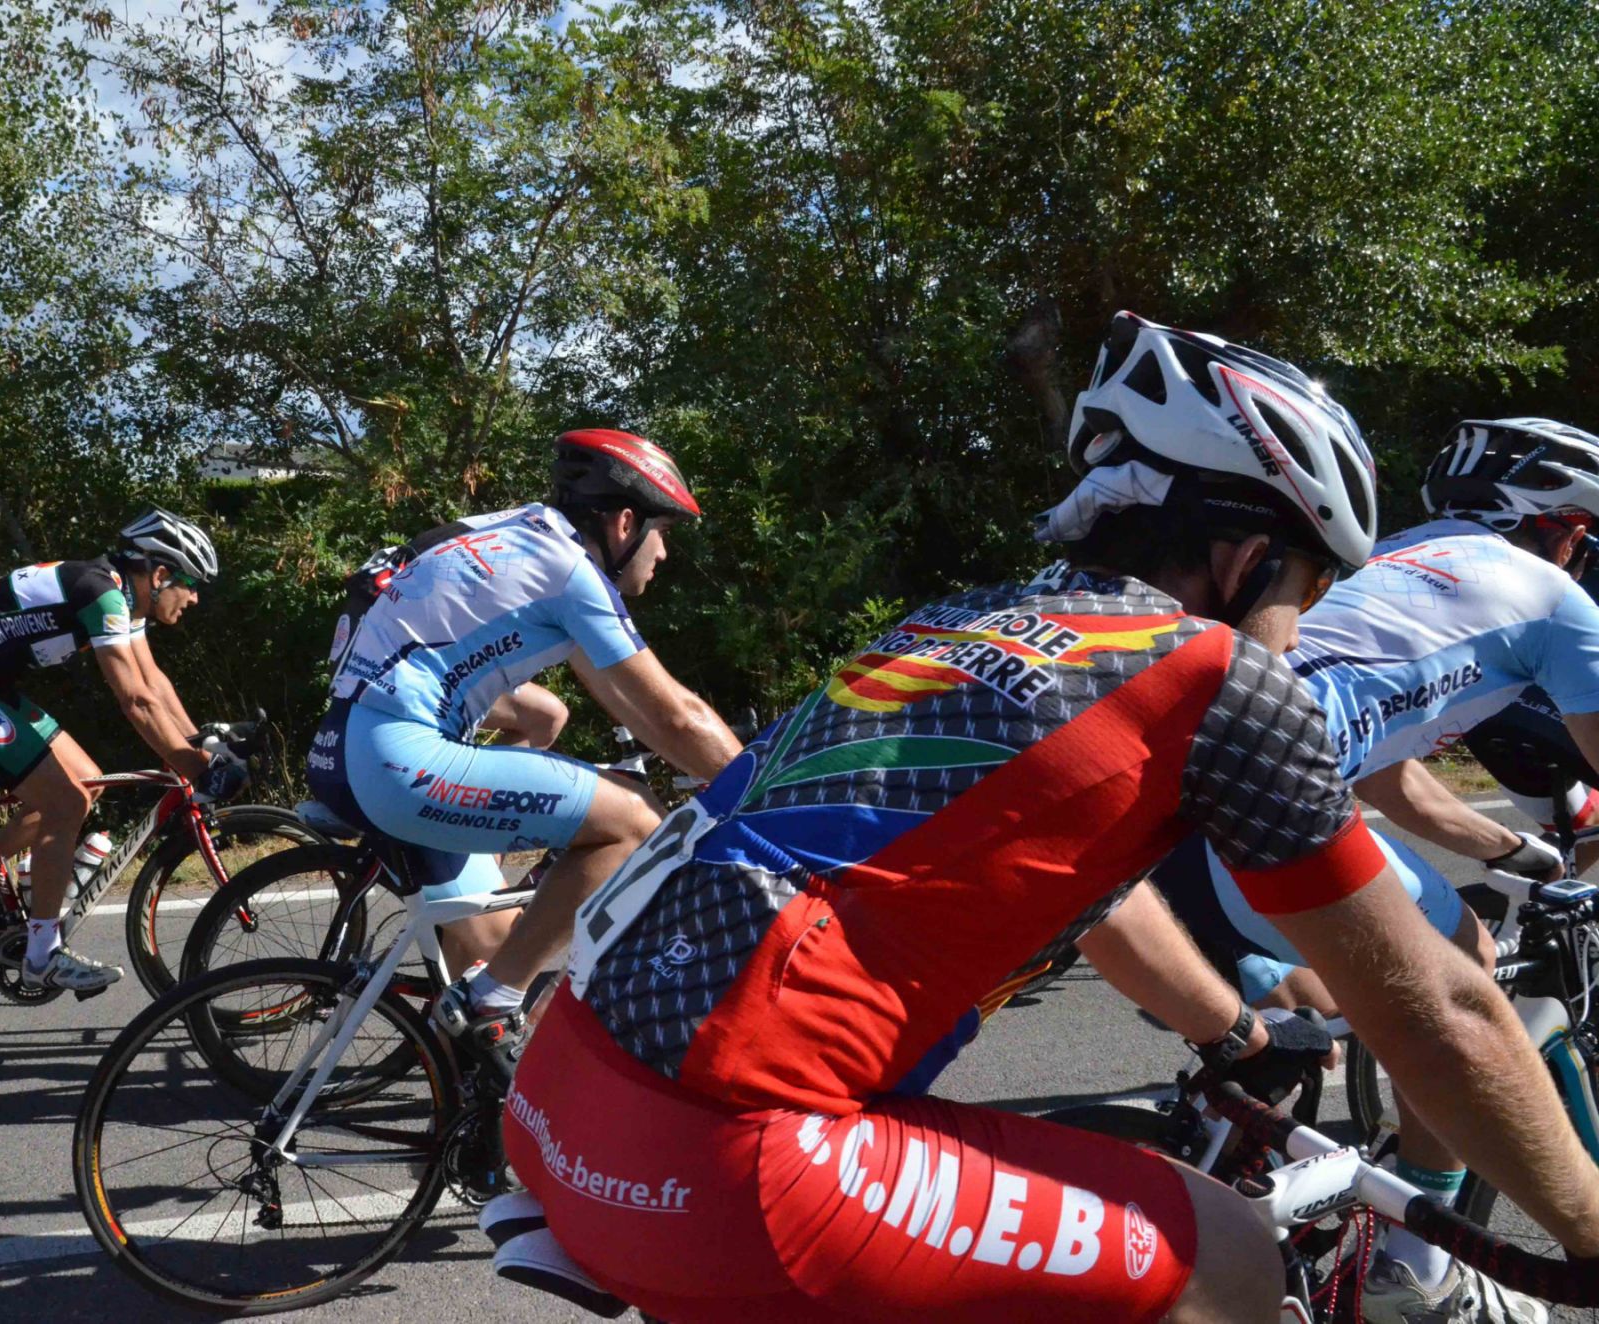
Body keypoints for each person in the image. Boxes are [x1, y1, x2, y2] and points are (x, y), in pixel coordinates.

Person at [504, 314, 1599, 1323]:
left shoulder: (957, 624)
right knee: (1229, 1256)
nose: (1304, 630)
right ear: (1242, 559)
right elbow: (1439, 1009)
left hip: (558, 1107)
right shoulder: (1213, 677)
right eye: (1308, 589)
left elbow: (1090, 897)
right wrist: (1588, 1231)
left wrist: (1231, 1031)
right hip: (724, 1167)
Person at [1150, 416, 1599, 1318]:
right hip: (1257, 809)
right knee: (1461, 973)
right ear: (1567, 532)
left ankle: (1239, 1163)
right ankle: (1417, 1270)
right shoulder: (1556, 598)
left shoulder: (1389, 563)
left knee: (1312, 1011)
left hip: (1169, 812)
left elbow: (1389, 775)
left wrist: (1508, 847)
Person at [306, 429, 742, 1064]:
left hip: (346, 747)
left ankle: (466, 1092)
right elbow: (674, 717)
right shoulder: (572, 573)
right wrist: (757, 789)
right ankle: (493, 1001)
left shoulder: (522, 533)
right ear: (626, 523)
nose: (664, 553)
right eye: (663, 533)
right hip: (397, 760)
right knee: (635, 819)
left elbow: (630, 702)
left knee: (493, 939)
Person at [0, 508, 238, 993]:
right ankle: (42, 957)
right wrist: (198, 769)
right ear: (160, 575)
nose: (196, 597)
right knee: (66, 801)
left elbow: (153, 684)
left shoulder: (122, 595)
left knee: (86, 782)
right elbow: (135, 701)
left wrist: (198, 745)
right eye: (191, 584)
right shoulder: (101, 593)